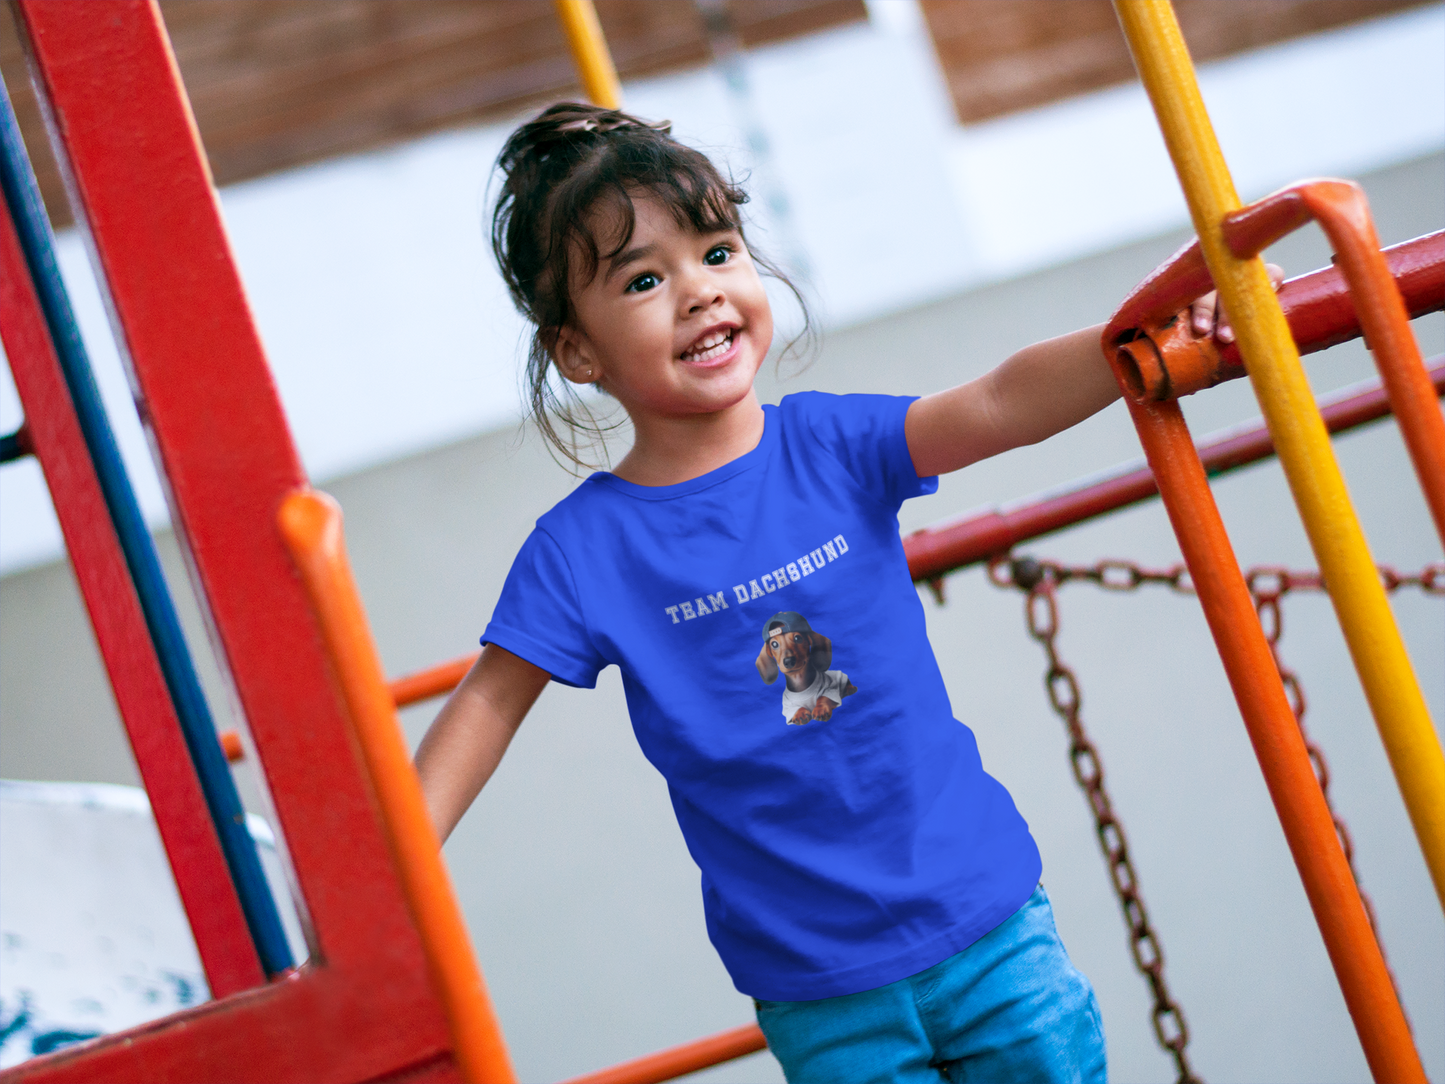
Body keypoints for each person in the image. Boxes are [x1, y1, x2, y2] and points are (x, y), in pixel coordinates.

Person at [415, 101, 1260, 1084]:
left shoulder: (826, 445)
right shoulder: (583, 548)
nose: (697, 292)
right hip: (816, 979)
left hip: (978, 915)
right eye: (643, 279)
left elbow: (994, 403)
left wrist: (1137, 338)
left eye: (717, 252)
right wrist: (395, 873)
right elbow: (487, 700)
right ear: (578, 354)